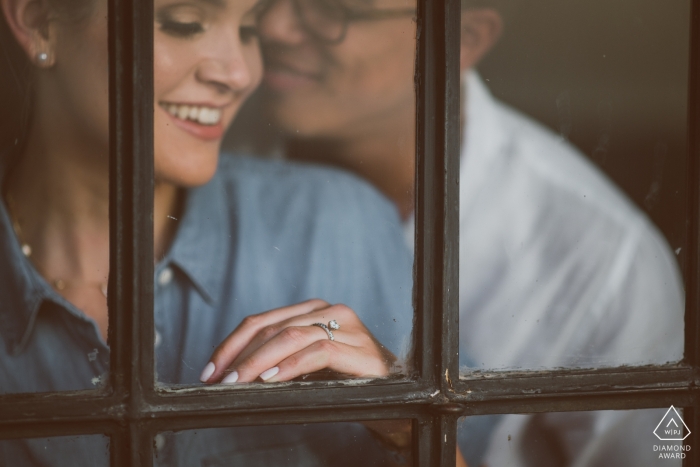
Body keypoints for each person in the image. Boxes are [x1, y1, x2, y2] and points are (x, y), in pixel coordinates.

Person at [254, 0, 685, 465]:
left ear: (463, 39)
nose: (273, 25)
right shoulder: (204, 152)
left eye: (330, 9)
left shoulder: (603, 258)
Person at [0, 0, 414, 464]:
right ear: (38, 21)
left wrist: (404, 428)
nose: (239, 74)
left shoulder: (337, 223)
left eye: (250, 30)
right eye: (185, 24)